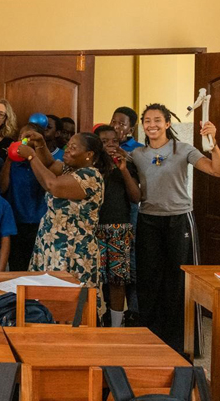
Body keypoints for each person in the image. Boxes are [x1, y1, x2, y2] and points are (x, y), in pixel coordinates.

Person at [131, 104, 220, 353]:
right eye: (147, 121)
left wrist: (212, 142)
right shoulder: (137, 154)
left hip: (179, 220)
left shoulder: (183, 149)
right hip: (148, 221)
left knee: (181, 282)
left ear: (168, 124)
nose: (152, 125)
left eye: (157, 120)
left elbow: (219, 170)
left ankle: (185, 343)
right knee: (149, 282)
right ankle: (151, 341)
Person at [17, 130, 109, 312]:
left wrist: (31, 157)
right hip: (52, 245)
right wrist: (41, 144)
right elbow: (50, 165)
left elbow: (53, 185)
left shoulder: (90, 176)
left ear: (89, 155)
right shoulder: (72, 170)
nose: (67, 150)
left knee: (69, 304)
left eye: (73, 148)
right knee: (47, 299)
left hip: (72, 250)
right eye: (68, 146)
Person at [94, 125, 140, 327]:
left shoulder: (126, 166)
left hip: (119, 228)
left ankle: (115, 325)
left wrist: (123, 170)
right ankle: (92, 320)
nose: (110, 145)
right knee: (92, 278)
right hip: (93, 229)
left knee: (117, 280)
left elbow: (136, 197)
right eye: (104, 142)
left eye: (114, 141)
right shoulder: (90, 167)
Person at [0, 123, 46, 271]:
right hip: (16, 222)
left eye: (28, 138)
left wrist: (32, 157)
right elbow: (2, 187)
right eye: (21, 138)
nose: (24, 141)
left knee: (37, 268)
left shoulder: (41, 163)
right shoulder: (11, 165)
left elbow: (47, 183)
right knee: (17, 267)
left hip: (39, 223)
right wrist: (9, 160)